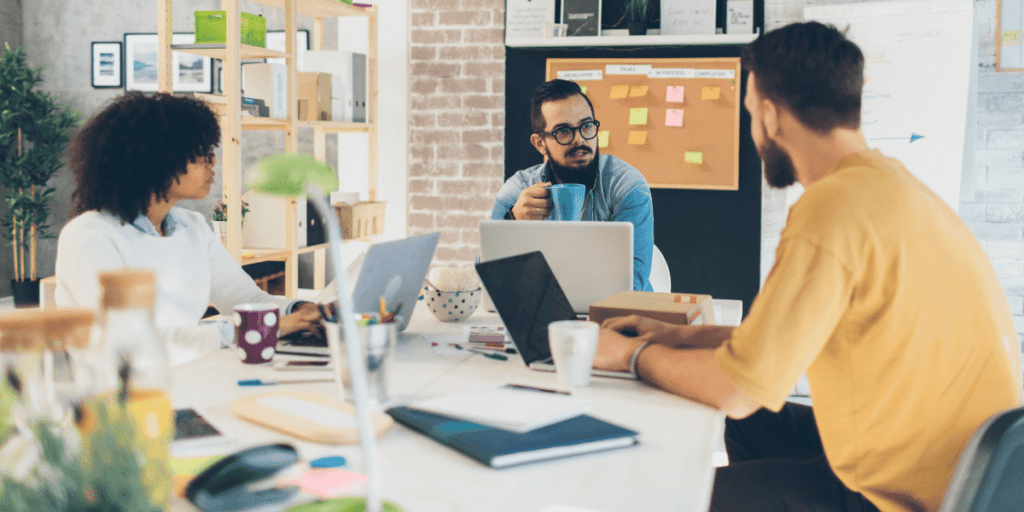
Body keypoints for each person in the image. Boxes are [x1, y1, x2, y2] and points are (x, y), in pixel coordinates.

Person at [592, 22, 1021, 512]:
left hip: (907, 496)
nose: (754, 132)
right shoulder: (891, 190)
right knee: (749, 423)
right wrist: (668, 335)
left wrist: (626, 356)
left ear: (772, 117)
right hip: (953, 468)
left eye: (751, 114)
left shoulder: (832, 208)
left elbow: (737, 391)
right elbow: (764, 350)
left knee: (678, 497)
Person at [55, 92, 322, 365]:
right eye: (202, 155)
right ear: (157, 161)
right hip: (118, 399)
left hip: (186, 378)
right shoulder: (91, 236)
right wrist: (269, 328)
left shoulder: (191, 226)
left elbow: (244, 298)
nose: (213, 163)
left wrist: (302, 310)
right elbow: (133, 342)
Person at [491, 79, 654, 291]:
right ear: (540, 143)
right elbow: (487, 275)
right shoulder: (518, 191)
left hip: (614, 315)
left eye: (587, 126)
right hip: (544, 313)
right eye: (563, 131)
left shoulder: (626, 185)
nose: (579, 140)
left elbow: (633, 282)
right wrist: (512, 222)